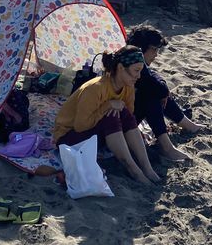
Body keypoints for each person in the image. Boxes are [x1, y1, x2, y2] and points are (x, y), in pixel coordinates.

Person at [52, 45, 161, 185]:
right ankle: (134, 170)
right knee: (111, 115)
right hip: (68, 139)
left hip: (94, 135)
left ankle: (147, 168)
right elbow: (80, 126)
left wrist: (114, 108)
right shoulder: (95, 88)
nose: (139, 76)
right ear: (121, 67)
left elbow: (128, 120)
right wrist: (107, 106)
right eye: (136, 71)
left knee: (122, 113)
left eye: (140, 71)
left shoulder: (127, 87)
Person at [126, 24, 202, 164]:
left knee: (155, 91)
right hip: (122, 124)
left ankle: (188, 125)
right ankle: (166, 147)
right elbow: (155, 85)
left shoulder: (130, 59)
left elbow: (154, 76)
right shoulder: (131, 65)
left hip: (128, 116)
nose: (156, 55)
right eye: (154, 50)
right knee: (152, 95)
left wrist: (163, 88)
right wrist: (163, 90)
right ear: (141, 49)